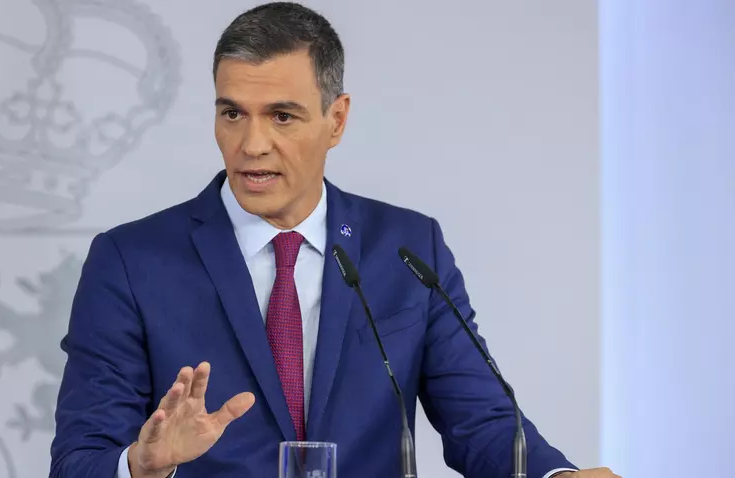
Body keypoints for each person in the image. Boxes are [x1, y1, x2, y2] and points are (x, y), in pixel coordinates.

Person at [49, 3, 620, 478]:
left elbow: (484, 424)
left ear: (337, 120)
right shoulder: (130, 261)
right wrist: (141, 466)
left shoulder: (408, 249)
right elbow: (79, 461)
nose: (252, 144)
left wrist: (558, 476)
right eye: (232, 113)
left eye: (282, 116)